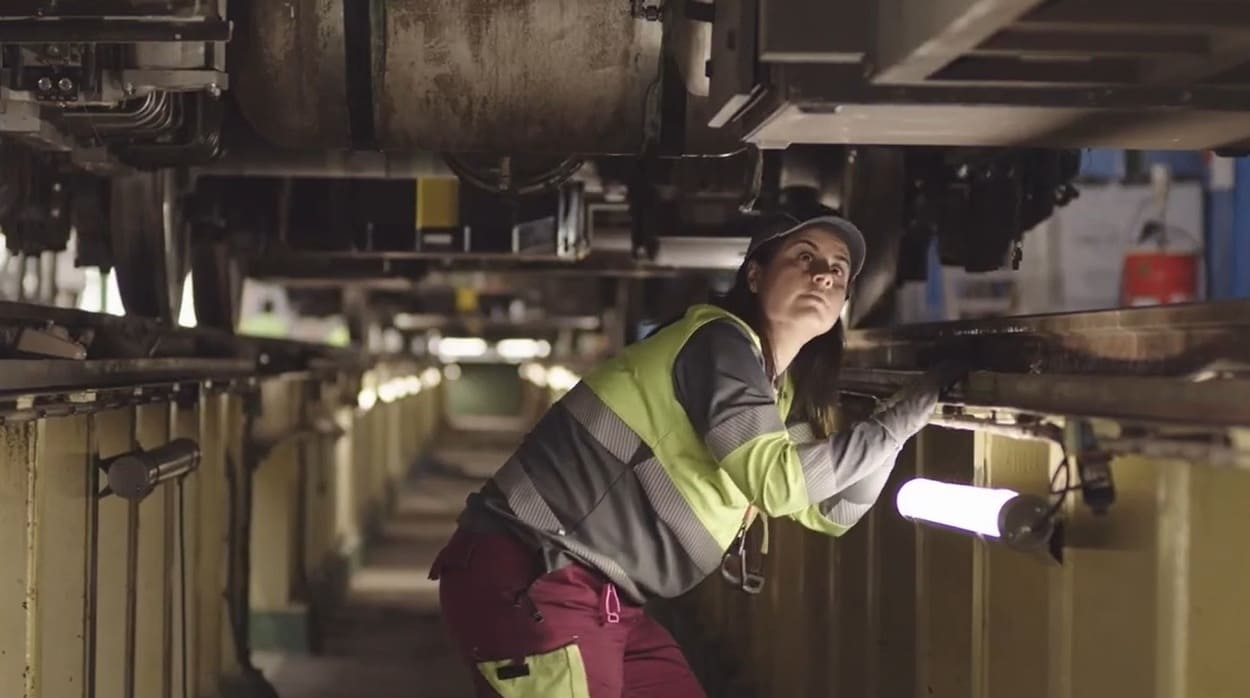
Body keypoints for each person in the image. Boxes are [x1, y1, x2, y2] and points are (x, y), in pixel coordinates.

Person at [430, 210, 965, 698]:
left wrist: (894, 429)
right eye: (804, 257)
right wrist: (895, 425)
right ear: (754, 275)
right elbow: (777, 485)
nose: (824, 273)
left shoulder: (772, 392)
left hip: (596, 595)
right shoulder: (718, 344)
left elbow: (830, 512)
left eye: (838, 269)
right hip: (537, 576)